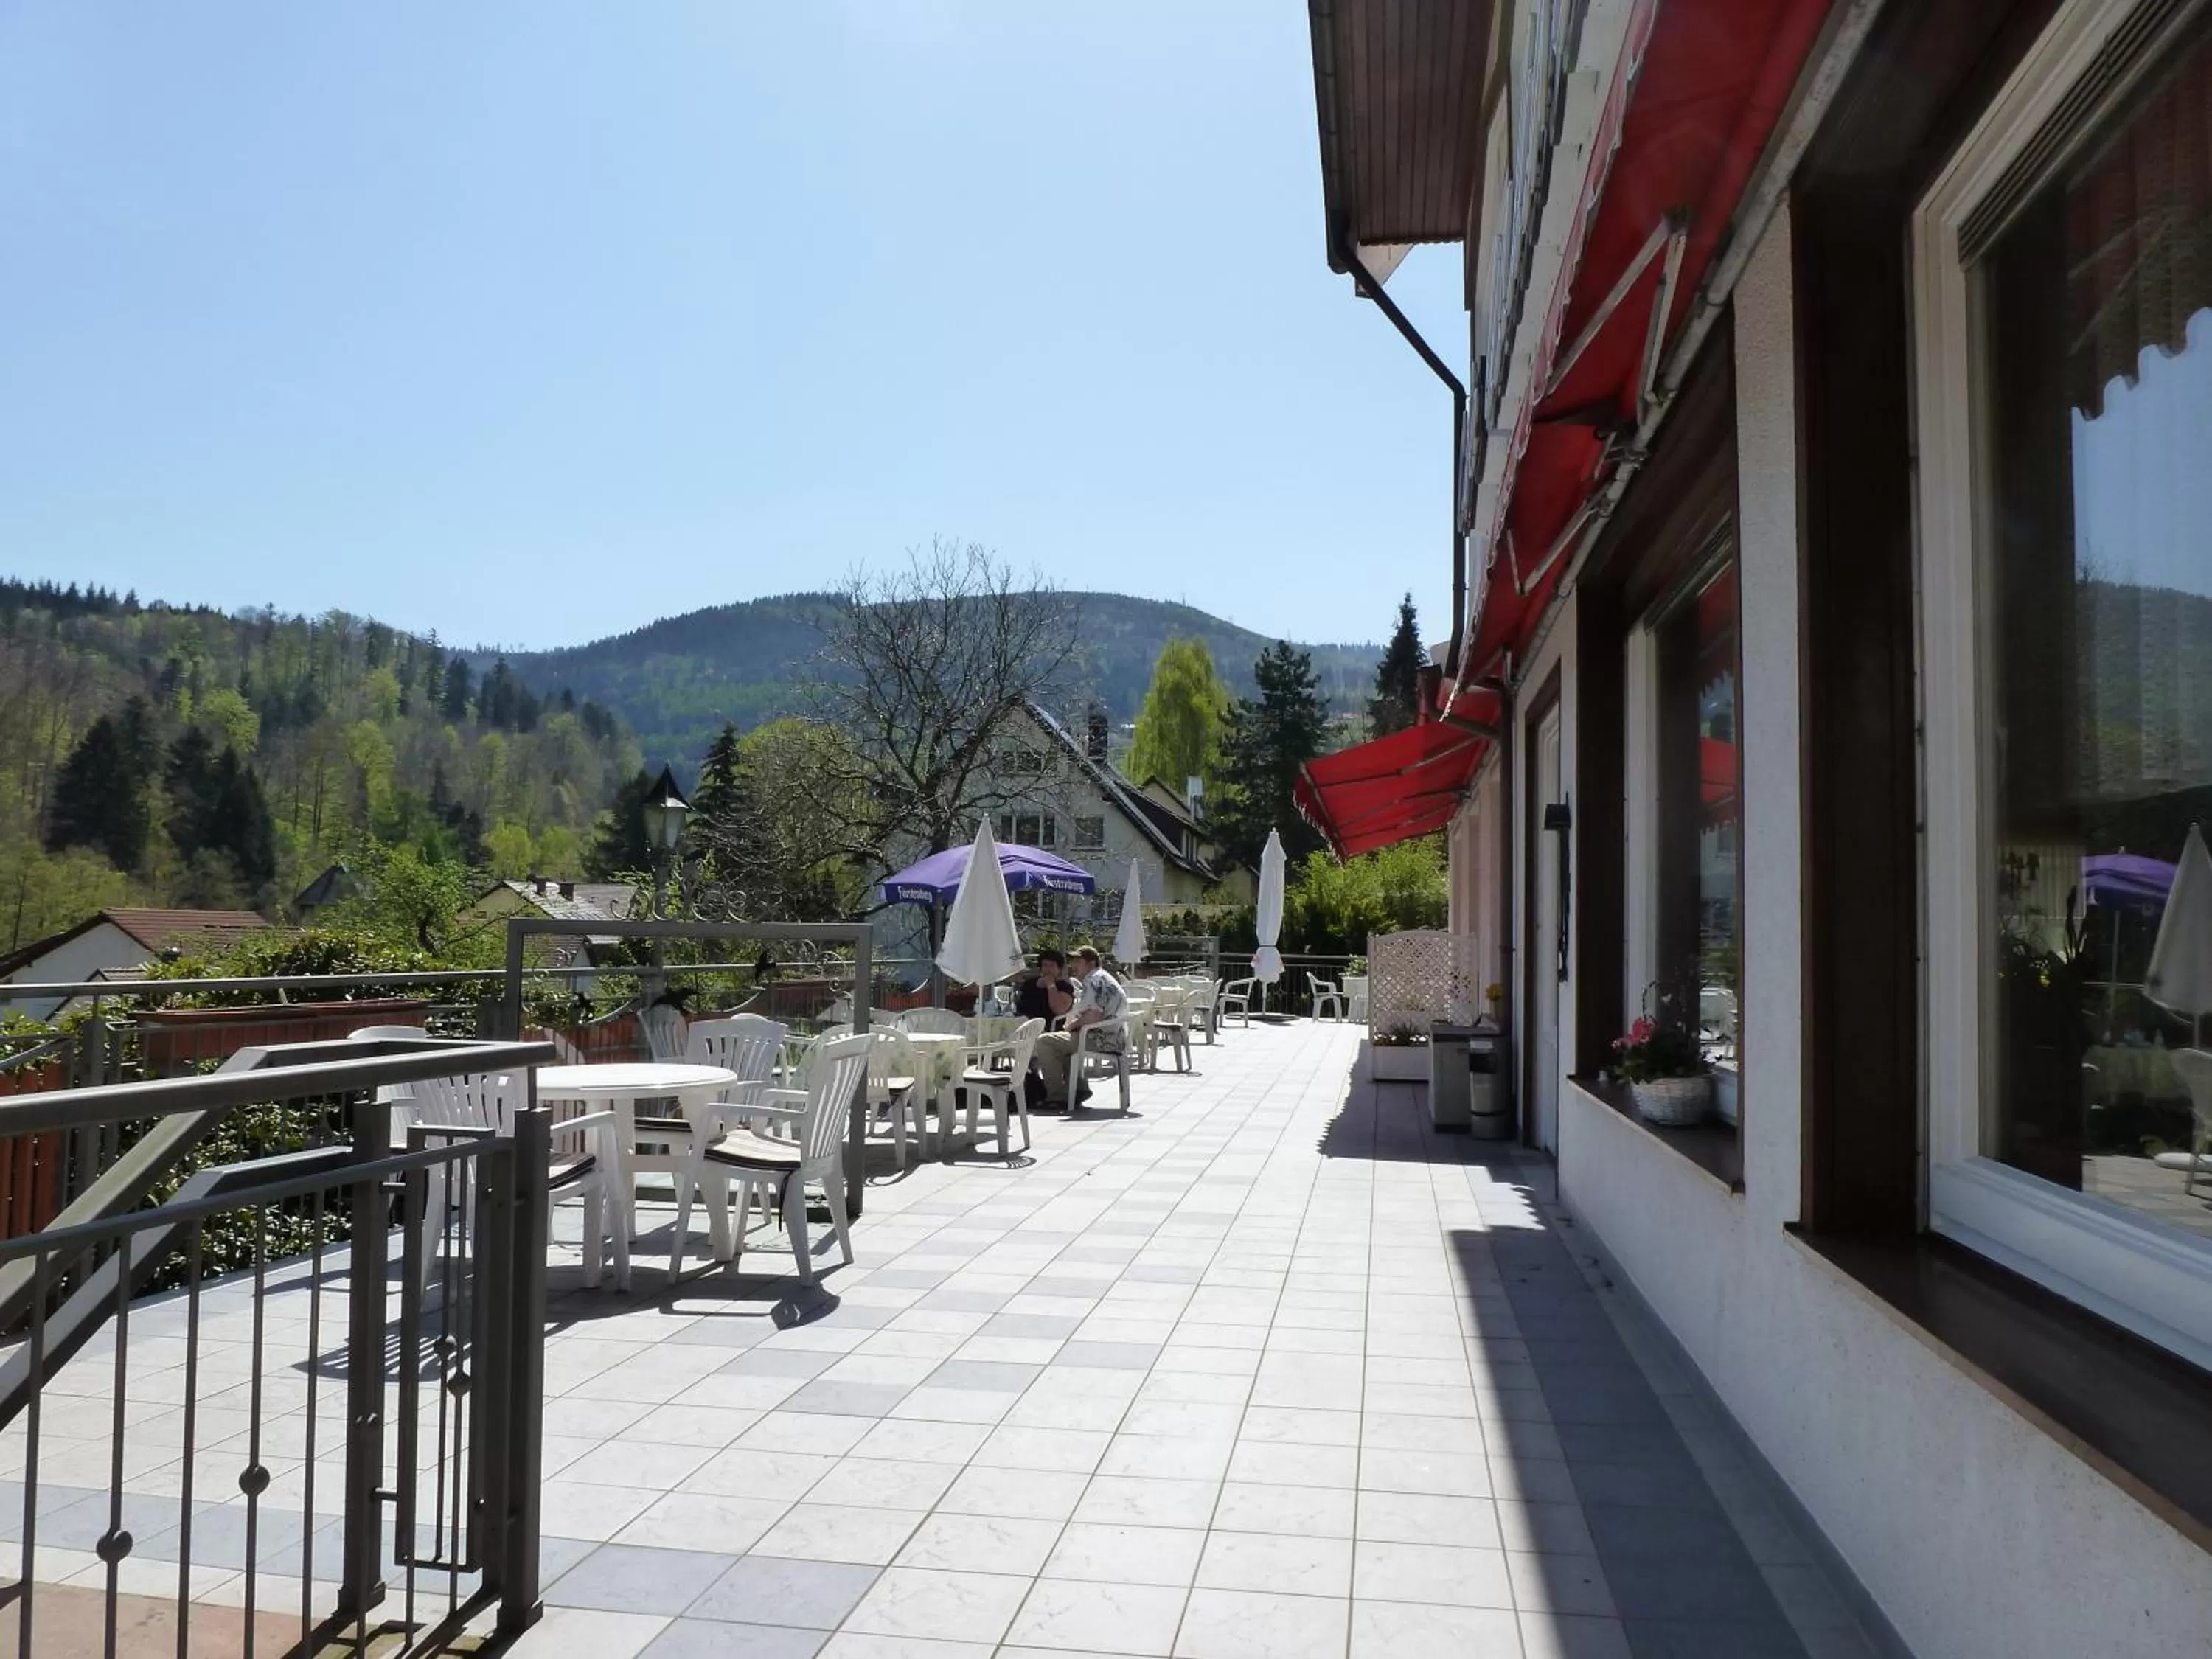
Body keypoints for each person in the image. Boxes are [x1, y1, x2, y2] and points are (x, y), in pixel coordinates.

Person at [1032, 945, 1127, 1107]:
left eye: (1078, 961)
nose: (1073, 965)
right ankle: (1079, 1089)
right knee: (1063, 1042)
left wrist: (1072, 1026)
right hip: (1114, 1037)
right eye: (1072, 961)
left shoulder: (1093, 981)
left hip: (1101, 1040)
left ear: (1091, 963)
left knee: (1045, 1041)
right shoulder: (1103, 977)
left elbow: (1093, 1016)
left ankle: (1057, 1096)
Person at [1012, 950, 1068, 1021]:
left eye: (1052, 965)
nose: (1048, 969)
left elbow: (1059, 1010)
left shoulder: (1064, 987)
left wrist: (1051, 985)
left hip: (1046, 1025)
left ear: (1059, 969)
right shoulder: (1030, 983)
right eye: (1045, 965)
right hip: (1022, 1021)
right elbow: (1018, 1004)